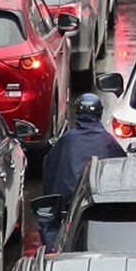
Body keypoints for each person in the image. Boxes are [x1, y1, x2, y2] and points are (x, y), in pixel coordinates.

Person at [41, 93, 124, 224]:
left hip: (69, 203)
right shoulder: (108, 141)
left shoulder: (67, 139)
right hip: (101, 203)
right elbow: (122, 170)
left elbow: (50, 170)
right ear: (99, 113)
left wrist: (51, 204)